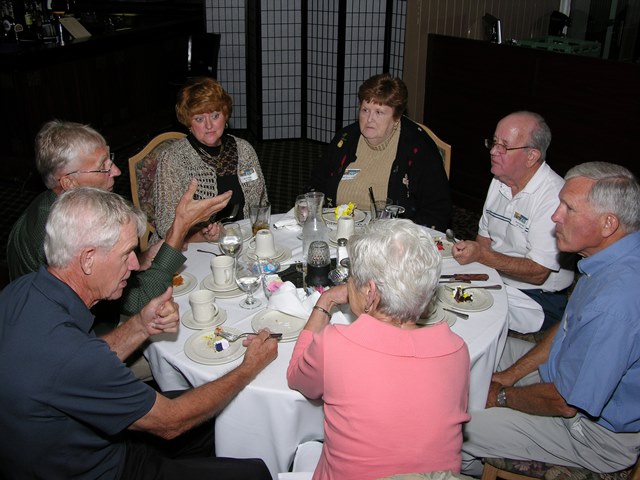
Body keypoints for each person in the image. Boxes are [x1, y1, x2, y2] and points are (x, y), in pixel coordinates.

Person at [0, 187, 277, 479]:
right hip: (106, 468)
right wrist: (249, 366)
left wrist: (141, 325)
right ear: (88, 259)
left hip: (64, 443)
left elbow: (77, 363)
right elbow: (171, 422)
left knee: (223, 417)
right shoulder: (73, 357)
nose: (134, 265)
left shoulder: (22, 290)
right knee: (253, 473)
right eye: (126, 254)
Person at [461, 162, 640, 475]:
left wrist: (500, 395)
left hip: (592, 434)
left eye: (569, 208)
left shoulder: (615, 303)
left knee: (452, 422)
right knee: (466, 351)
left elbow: (565, 402)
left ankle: (462, 464)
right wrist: (509, 375)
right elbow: (567, 328)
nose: (555, 216)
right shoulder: (610, 258)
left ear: (608, 224)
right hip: (561, 377)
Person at [287, 219, 470, 479]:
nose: (349, 283)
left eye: (352, 277)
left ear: (370, 292)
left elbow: (296, 377)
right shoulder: (457, 350)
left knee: (303, 450)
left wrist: (326, 300)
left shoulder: (335, 344)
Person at [5, 119, 232, 315]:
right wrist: (180, 227)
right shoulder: (67, 232)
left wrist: (143, 258)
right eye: (102, 167)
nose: (116, 171)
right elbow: (138, 301)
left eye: (110, 159)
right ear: (69, 182)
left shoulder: (50, 205)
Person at [452, 111, 574, 332]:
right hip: (497, 279)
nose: (493, 151)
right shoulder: (500, 180)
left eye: (504, 147)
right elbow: (484, 239)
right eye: (494, 142)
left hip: (537, 298)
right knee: (439, 292)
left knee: (467, 318)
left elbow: (538, 273)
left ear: (531, 156)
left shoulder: (553, 197)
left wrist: (481, 257)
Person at [306, 73, 451, 231]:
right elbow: (316, 184)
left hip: (393, 236)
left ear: (396, 117)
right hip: (337, 229)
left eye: (379, 112)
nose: (369, 119)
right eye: (365, 110)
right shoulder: (345, 139)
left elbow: (437, 212)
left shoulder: (418, 147)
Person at [153, 76, 267, 243]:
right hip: (190, 246)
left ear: (225, 116)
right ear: (188, 123)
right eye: (199, 119)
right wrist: (201, 234)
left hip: (242, 240)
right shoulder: (173, 159)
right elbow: (165, 226)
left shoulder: (244, 150)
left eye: (215, 116)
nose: (208, 125)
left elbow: (262, 205)